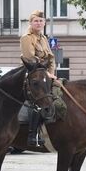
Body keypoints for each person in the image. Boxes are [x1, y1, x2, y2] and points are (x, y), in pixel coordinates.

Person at [20, 9, 57, 146]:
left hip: (45, 74)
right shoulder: (26, 38)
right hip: (31, 73)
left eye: (41, 21)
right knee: (37, 100)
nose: (39, 23)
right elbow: (30, 58)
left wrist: (51, 73)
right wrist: (45, 72)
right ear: (31, 22)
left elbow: (51, 58)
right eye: (36, 21)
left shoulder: (44, 38)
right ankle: (33, 133)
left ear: (44, 23)